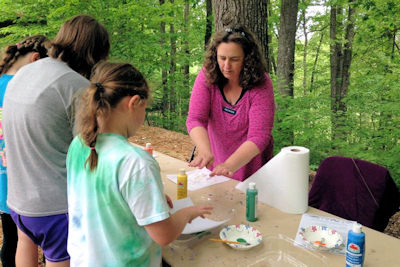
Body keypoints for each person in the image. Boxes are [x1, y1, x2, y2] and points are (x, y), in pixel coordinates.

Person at [67, 61, 213, 266]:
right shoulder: (135, 161)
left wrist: (149, 197)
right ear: (134, 102)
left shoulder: (80, 143)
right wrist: (187, 213)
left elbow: (101, 197)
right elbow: (164, 235)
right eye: (145, 108)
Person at [2, 15, 110, 267]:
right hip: (55, 207)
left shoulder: (25, 71)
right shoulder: (78, 87)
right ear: (94, 54)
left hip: (17, 200)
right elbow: (93, 152)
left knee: (24, 243)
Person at [186, 25, 275, 181]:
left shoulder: (261, 84)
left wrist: (229, 165)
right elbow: (195, 119)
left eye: (234, 59)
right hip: (216, 162)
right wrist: (205, 150)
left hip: (251, 167)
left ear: (247, 59)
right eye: (222, 58)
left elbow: (259, 136)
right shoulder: (207, 75)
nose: (226, 66)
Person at [0, 35, 49, 267]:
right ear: (36, 59)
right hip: (26, 181)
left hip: (4, 179)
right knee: (32, 241)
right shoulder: (26, 88)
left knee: (12, 240)